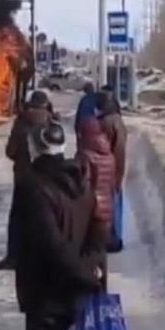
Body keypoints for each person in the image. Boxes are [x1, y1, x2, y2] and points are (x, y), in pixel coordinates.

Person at [13, 122, 106, 330]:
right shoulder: (82, 183)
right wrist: (91, 272)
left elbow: (51, 246)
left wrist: (82, 274)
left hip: (46, 298)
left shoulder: (32, 188)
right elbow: (98, 236)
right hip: (77, 296)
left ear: (34, 148)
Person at [0, 90, 54, 270]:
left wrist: (21, 159)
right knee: (44, 219)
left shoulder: (21, 122)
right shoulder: (51, 122)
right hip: (45, 179)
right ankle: (43, 258)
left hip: (23, 178)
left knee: (18, 220)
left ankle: (13, 257)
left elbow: (10, 151)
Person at [75, 115, 115, 280]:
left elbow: (83, 185)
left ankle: (89, 291)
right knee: (100, 252)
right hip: (106, 210)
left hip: (90, 211)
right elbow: (111, 184)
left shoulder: (85, 156)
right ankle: (103, 291)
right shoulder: (109, 156)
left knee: (87, 254)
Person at [96, 90, 129, 253]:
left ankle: (112, 238)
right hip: (114, 169)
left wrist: (117, 175)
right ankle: (113, 237)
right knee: (113, 203)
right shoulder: (118, 122)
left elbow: (117, 150)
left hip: (108, 170)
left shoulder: (106, 123)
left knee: (108, 204)